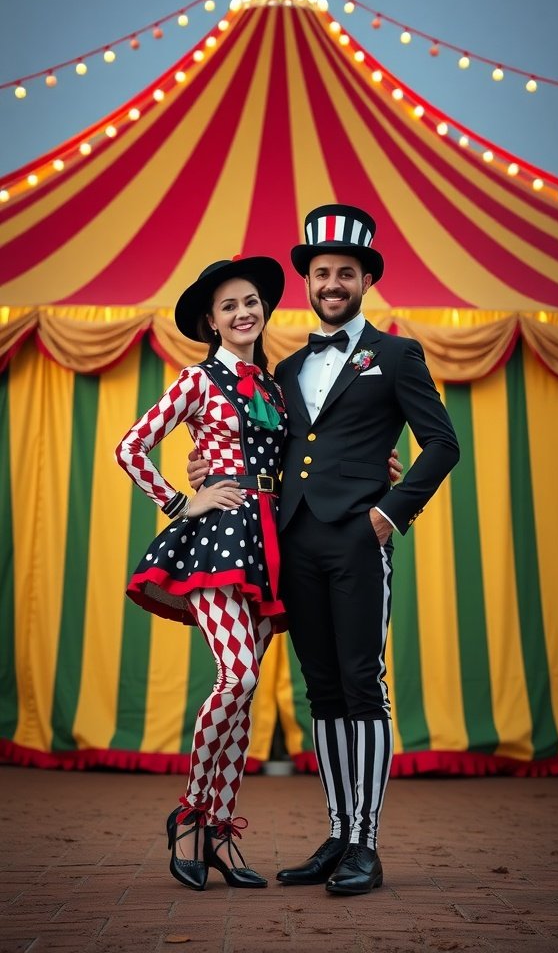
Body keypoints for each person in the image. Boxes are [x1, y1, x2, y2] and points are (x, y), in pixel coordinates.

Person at [190, 204, 460, 896]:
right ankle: (339, 835)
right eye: (320, 272)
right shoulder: (286, 366)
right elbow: (261, 448)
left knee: (363, 684)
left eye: (345, 272)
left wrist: (390, 511)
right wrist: (204, 472)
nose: (332, 283)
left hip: (359, 541)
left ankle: (366, 846)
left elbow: (442, 443)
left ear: (365, 279)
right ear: (306, 281)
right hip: (294, 539)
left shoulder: (398, 354)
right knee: (322, 689)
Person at [115, 256, 288, 892]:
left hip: (272, 541)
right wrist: (182, 500)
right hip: (218, 540)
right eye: (229, 307)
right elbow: (130, 448)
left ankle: (217, 831)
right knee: (236, 676)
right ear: (212, 322)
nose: (244, 313)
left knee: (245, 699)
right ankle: (190, 813)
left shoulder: (273, 387)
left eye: (251, 302)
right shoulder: (196, 380)